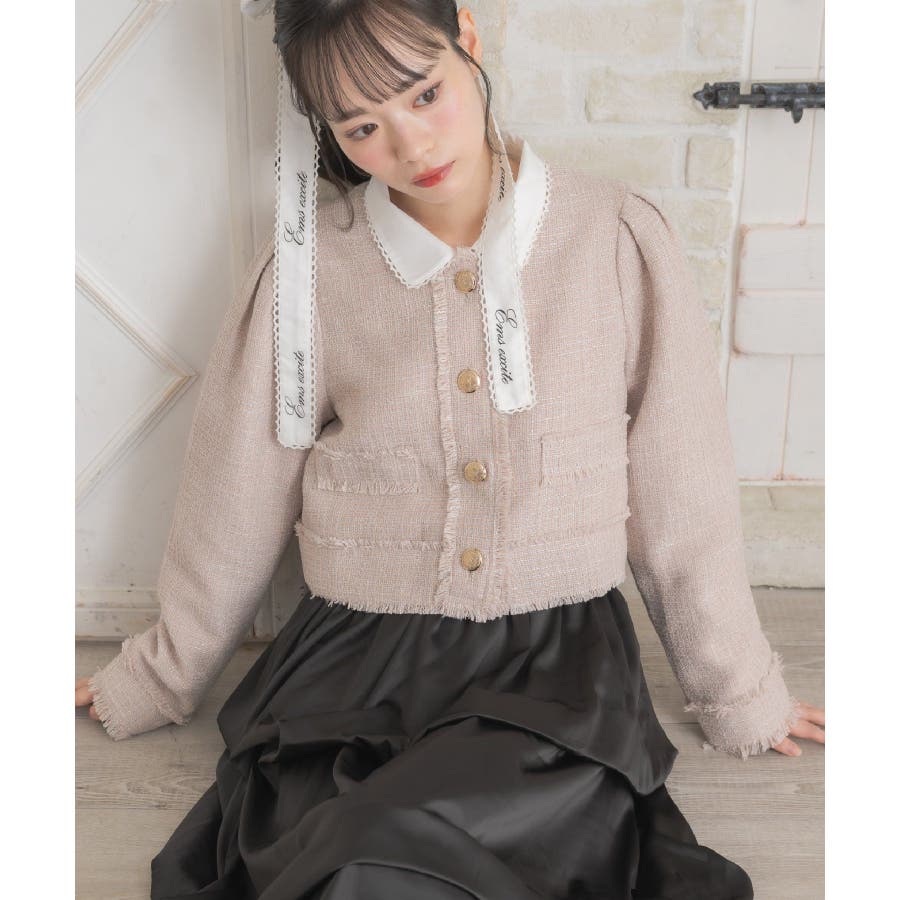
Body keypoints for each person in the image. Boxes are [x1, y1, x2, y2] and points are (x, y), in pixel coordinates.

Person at [75, 1, 826, 897]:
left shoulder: (613, 237)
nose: (411, 144)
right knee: (329, 846)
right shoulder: (308, 271)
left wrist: (740, 692)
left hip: (552, 660)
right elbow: (234, 497)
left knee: (452, 842)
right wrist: (159, 676)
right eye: (362, 126)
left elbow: (681, 492)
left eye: (425, 93)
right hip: (351, 658)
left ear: (466, 37)